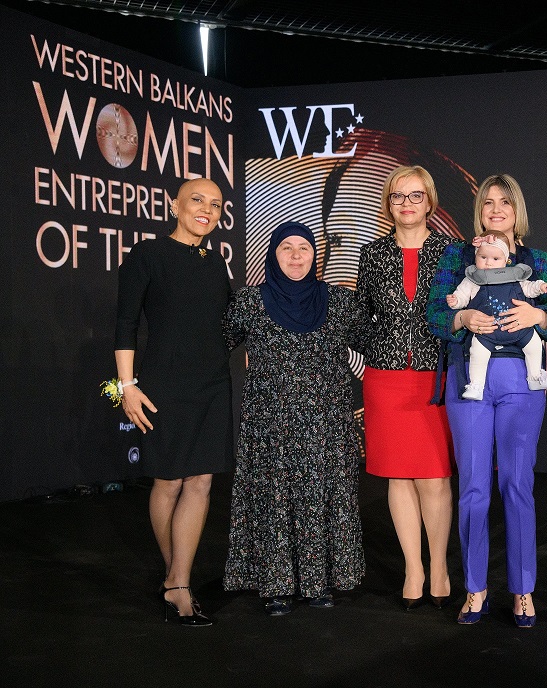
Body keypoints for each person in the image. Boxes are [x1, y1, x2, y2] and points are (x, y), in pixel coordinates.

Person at [427, 174, 547, 627]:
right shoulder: (457, 256)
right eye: (487, 202)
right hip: (469, 375)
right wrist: (462, 316)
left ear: (517, 208)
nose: (495, 208)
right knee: (472, 487)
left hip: (522, 380)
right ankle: (475, 588)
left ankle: (523, 591)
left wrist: (540, 315)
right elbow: (435, 315)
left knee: (517, 484)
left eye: (504, 201)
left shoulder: (541, 261)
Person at [222, 222, 366, 615]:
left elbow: (375, 342)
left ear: (316, 254)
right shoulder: (250, 302)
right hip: (272, 427)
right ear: (272, 253)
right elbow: (214, 344)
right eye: (287, 247)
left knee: (323, 498)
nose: (297, 255)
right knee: (275, 498)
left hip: (327, 425)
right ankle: (276, 585)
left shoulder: (339, 301)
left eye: (304, 247)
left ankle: (320, 583)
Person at [114, 178, 233, 626]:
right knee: (168, 481)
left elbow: (224, 321)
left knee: (201, 481)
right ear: (174, 204)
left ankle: (178, 582)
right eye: (197, 200)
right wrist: (128, 386)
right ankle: (174, 578)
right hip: (163, 384)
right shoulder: (147, 255)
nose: (206, 210)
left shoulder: (215, 261)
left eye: (216, 205)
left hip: (212, 383)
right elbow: (125, 324)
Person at [353, 165, 456, 610]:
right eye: (398, 196)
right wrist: (382, 341)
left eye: (416, 196)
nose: (407, 204)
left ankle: (438, 566)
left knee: (433, 478)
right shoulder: (372, 254)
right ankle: (413, 568)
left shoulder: (453, 253)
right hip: (386, 379)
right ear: (388, 204)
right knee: (398, 477)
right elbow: (357, 317)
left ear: (430, 202)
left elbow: (466, 311)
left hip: (437, 377)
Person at [445, 230, 547, 400]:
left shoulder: (514, 276)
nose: (488, 263)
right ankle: (476, 386)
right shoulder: (472, 279)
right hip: (487, 331)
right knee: (477, 353)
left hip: (517, 329)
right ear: (476, 256)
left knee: (534, 345)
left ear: (506, 260)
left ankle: (535, 377)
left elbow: (529, 287)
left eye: (495, 259)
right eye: (483, 257)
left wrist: (541, 287)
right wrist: (456, 301)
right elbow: (462, 294)